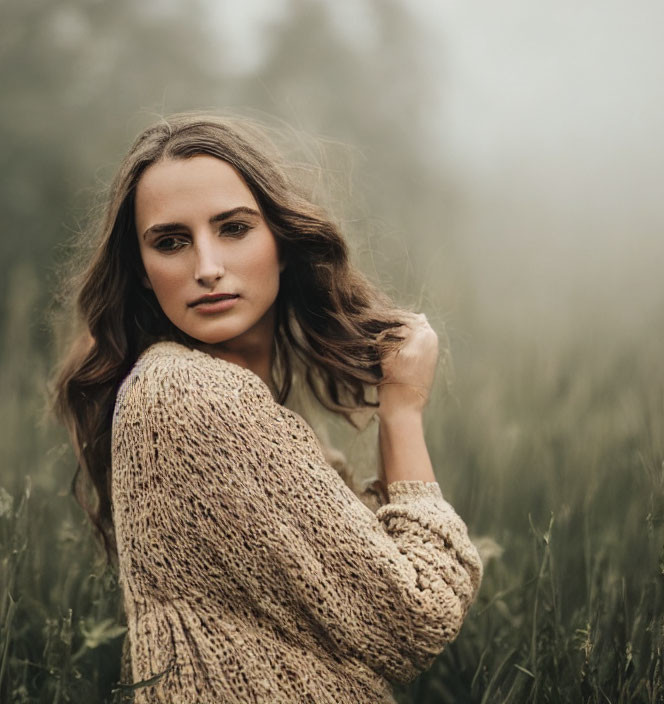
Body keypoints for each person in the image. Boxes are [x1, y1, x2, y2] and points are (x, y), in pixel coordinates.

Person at [53, 113, 482, 703]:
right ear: (145, 274)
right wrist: (403, 409)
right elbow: (416, 615)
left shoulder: (238, 403)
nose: (206, 268)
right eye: (171, 241)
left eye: (233, 229)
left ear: (283, 243)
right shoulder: (187, 397)